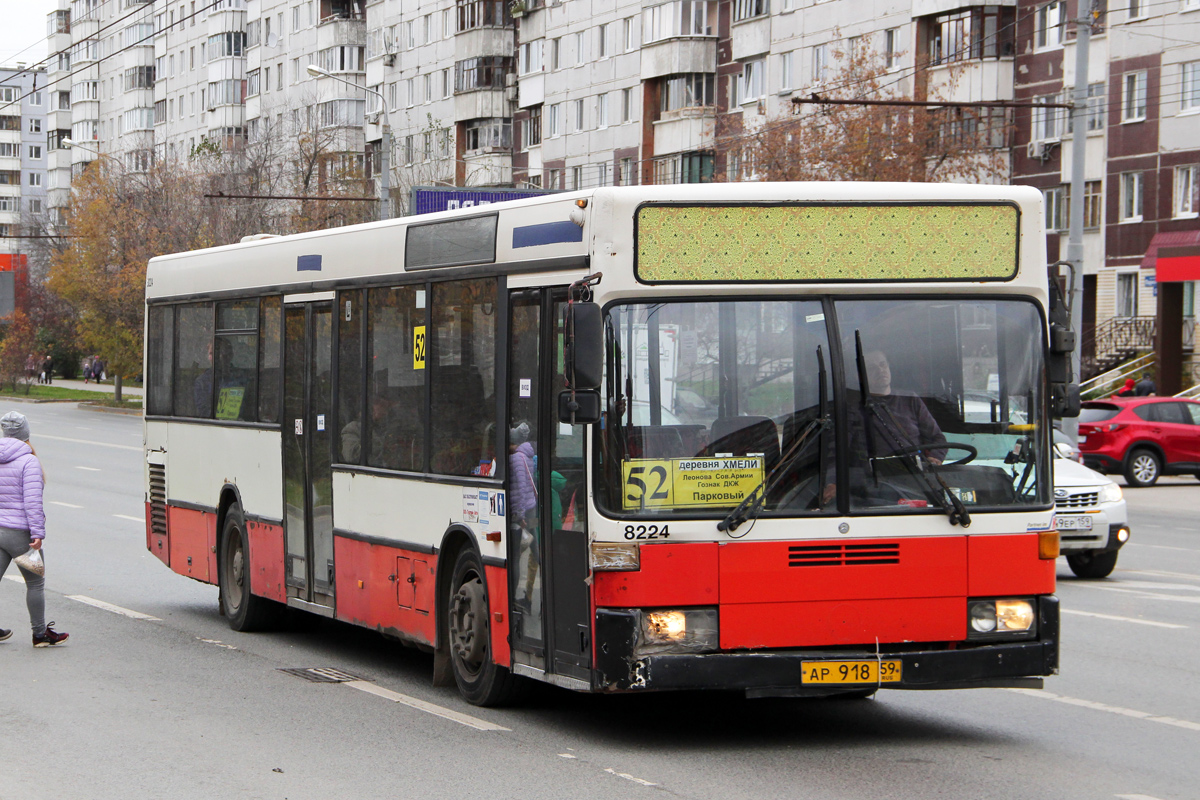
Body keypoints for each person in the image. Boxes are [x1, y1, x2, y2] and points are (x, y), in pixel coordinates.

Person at [0, 411, 68, 647]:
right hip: (20, 535)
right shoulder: (29, 461)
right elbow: (32, 502)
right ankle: (40, 634)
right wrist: (37, 533)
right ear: (25, 433)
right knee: (35, 583)